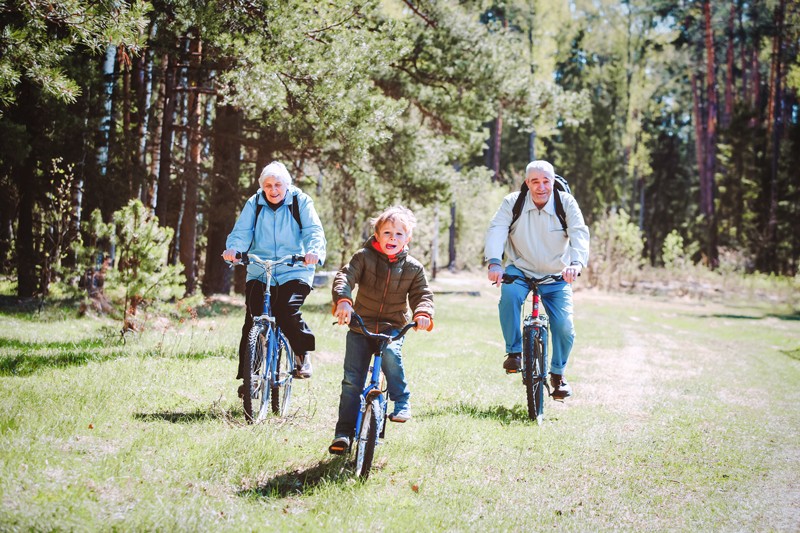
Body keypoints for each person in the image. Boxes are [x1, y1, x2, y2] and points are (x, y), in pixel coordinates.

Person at [328, 206, 434, 454]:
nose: (392, 239)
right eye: (387, 233)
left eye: (399, 234)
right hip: (361, 326)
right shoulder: (362, 257)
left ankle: (401, 401)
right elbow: (345, 277)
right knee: (351, 381)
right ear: (377, 235)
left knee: (390, 355)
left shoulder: (414, 268)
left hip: (392, 327)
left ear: (407, 239)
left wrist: (423, 313)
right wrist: (343, 300)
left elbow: (422, 295)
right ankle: (343, 433)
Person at [484, 160, 590, 399]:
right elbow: (497, 229)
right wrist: (494, 262)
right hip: (520, 269)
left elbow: (579, 233)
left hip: (557, 274)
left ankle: (557, 375)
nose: (541, 187)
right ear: (527, 183)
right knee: (508, 297)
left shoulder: (566, 203)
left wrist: (576, 263)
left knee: (564, 326)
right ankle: (514, 353)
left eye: (546, 181)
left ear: (553, 181)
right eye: (535, 181)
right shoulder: (513, 202)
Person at [222, 161, 326, 390]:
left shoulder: (300, 201)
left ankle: (301, 353)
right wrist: (235, 250)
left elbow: (313, 231)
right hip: (260, 268)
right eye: (268, 185)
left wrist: (313, 252)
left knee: (286, 310)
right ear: (262, 187)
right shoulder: (255, 203)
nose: (273, 190)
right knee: (253, 319)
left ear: (287, 185)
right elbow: (241, 232)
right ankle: (251, 378)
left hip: (295, 268)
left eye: (278, 184)